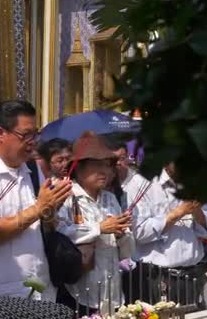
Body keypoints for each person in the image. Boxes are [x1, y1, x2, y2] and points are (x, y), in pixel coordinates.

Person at [0, 100, 72, 300]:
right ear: (1, 133)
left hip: (40, 287)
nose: (33, 141)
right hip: (1, 293)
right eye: (25, 135)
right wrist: (38, 208)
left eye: (35, 134)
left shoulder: (31, 169)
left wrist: (52, 208)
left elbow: (45, 224)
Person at [56, 131, 133, 315]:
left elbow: (127, 252)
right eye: (97, 165)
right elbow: (60, 232)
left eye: (107, 166)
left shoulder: (110, 199)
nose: (105, 171)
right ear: (79, 168)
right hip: (79, 291)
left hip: (111, 289)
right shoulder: (65, 196)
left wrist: (122, 235)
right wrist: (99, 228)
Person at [132, 159, 207, 309]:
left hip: (192, 275)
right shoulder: (141, 182)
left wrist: (197, 211)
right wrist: (177, 213)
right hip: (158, 277)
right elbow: (139, 232)